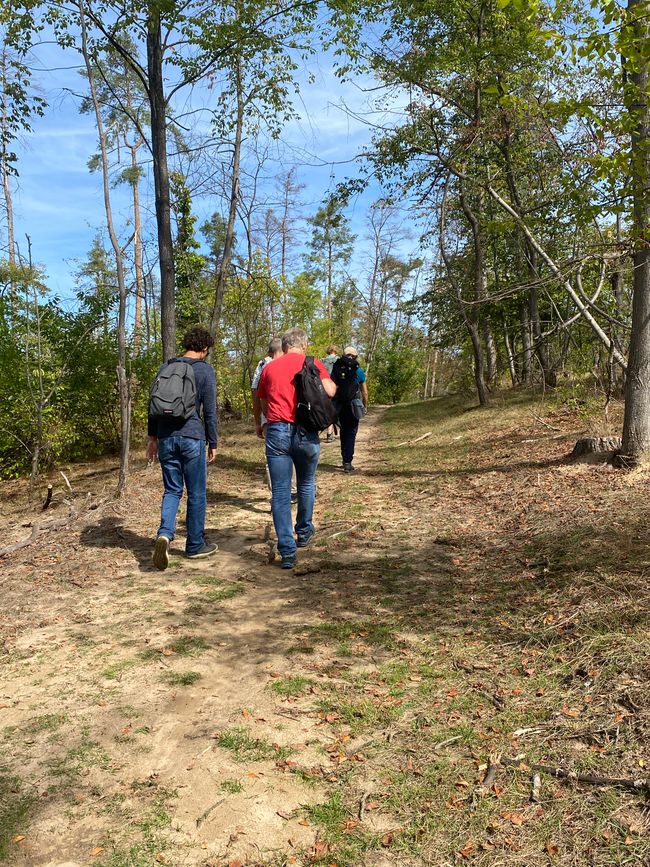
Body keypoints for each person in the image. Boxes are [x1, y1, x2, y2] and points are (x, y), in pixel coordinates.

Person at [256, 327, 336, 569]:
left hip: (278, 430)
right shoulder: (313, 363)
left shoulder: (269, 367)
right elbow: (330, 391)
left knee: (280, 492)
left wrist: (262, 422)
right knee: (306, 483)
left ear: (285, 345)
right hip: (306, 431)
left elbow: (262, 399)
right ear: (304, 345)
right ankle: (304, 531)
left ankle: (287, 551)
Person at [147, 326, 218, 570]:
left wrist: (152, 438)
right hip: (192, 436)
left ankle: (165, 534)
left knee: (172, 490)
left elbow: (152, 405)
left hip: (166, 437)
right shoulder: (204, 371)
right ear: (205, 348)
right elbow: (210, 411)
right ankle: (195, 544)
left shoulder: (165, 368)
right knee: (196, 492)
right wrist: (213, 442)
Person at [332, 346, 368, 474]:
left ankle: (344, 457)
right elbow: (364, 391)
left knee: (343, 430)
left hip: (340, 405)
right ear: (355, 357)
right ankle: (348, 461)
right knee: (352, 432)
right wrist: (365, 405)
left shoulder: (336, 368)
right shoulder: (358, 371)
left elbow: (332, 387)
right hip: (354, 404)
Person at [252, 337, 283, 439]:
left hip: (269, 419)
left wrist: (257, 422)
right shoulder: (291, 363)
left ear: (269, 351)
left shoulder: (262, 365)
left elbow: (255, 392)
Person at [321, 344, 340, 443]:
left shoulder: (322, 361)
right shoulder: (339, 361)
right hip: (336, 388)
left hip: (324, 388)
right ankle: (331, 432)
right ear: (335, 351)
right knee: (335, 409)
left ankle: (329, 433)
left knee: (327, 410)